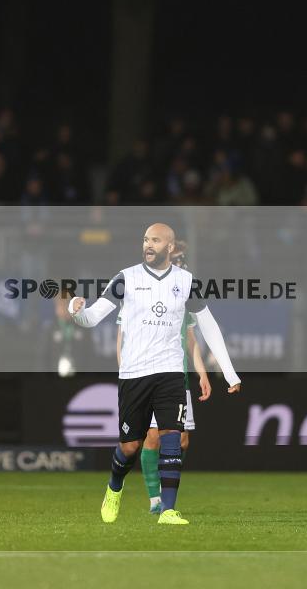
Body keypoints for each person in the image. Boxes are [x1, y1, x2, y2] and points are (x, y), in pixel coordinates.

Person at [69, 223, 241, 525]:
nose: (148, 245)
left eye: (156, 240)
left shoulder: (186, 281)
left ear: (170, 248)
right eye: (146, 239)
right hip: (135, 373)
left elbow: (208, 325)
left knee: (172, 436)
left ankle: (168, 509)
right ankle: (114, 486)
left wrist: (229, 373)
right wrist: (76, 311)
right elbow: (92, 318)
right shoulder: (126, 278)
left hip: (171, 371)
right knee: (130, 447)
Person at [115, 241, 212, 514]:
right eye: (177, 258)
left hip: (177, 377)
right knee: (151, 438)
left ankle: (163, 496)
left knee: (182, 440)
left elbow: (190, 338)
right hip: (146, 374)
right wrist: (129, 373)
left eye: (183, 259)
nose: (180, 263)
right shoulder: (138, 291)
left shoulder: (183, 294)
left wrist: (202, 373)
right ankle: (156, 500)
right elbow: (122, 340)